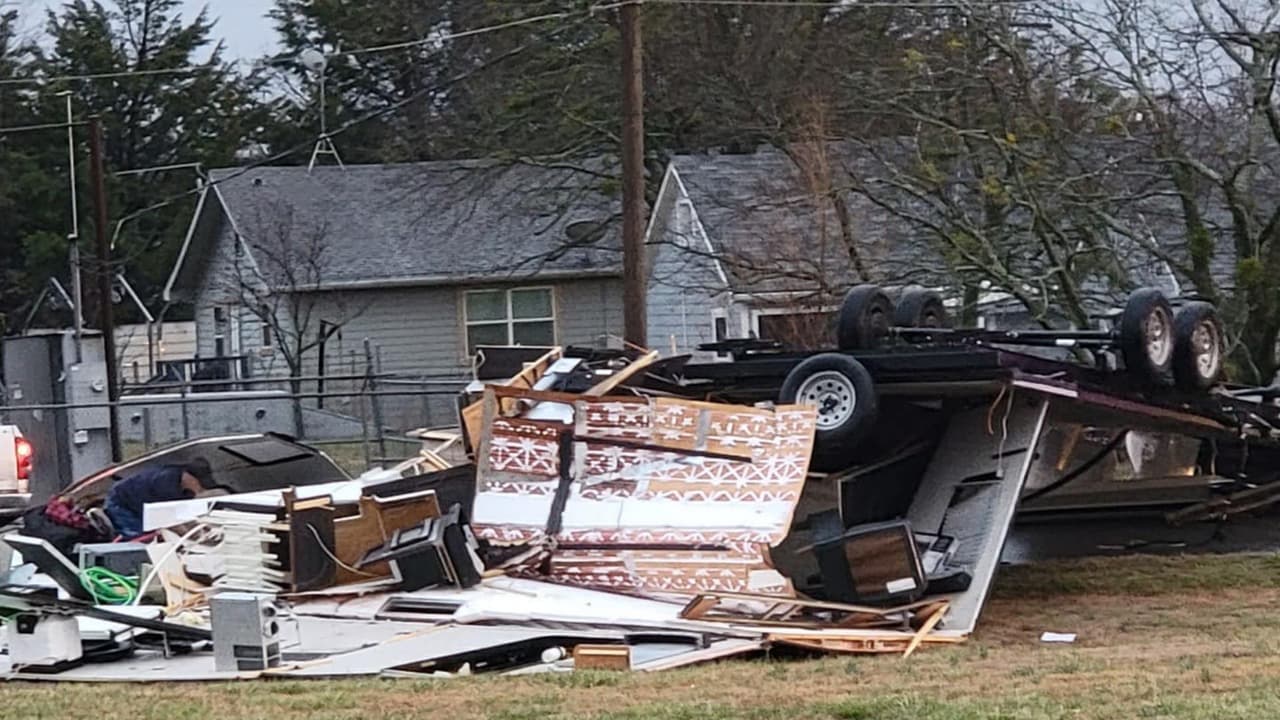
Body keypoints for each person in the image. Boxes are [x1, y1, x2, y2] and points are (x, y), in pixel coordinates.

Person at [102, 458, 216, 539]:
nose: (201, 488)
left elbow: (183, 513)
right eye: (199, 484)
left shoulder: (185, 489)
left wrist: (200, 526)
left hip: (142, 504)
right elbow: (167, 519)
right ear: (190, 478)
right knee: (137, 537)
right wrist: (189, 535)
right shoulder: (165, 482)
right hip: (122, 501)